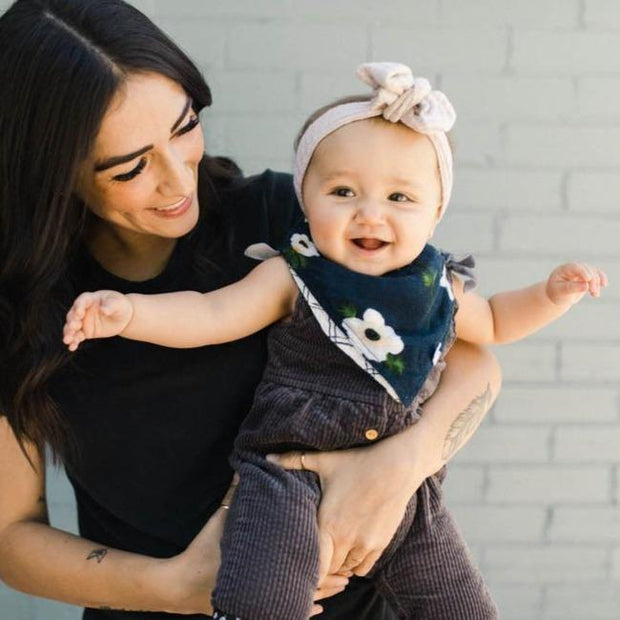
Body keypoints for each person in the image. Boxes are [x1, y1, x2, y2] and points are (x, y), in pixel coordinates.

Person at [0, 2, 502, 619]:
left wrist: (396, 468)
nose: (178, 181)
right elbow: (11, 535)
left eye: (184, 129)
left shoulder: (288, 222)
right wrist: (177, 586)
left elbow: (473, 362)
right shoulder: (20, 304)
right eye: (131, 167)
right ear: (51, 174)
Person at [62, 61, 609, 620]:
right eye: (344, 191)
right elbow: (211, 313)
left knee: (460, 603)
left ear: (436, 210)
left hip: (403, 490)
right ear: (306, 198)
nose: (370, 214)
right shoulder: (295, 273)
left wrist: (550, 294)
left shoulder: (435, 285)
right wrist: (128, 311)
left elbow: (493, 324)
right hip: (286, 472)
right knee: (263, 594)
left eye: (400, 198)